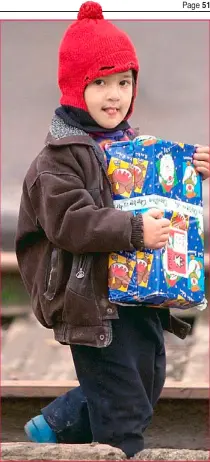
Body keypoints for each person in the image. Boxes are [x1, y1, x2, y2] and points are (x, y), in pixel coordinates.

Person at [15, 1, 210, 458]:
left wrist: (191, 172)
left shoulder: (129, 147)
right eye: (99, 83)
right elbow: (71, 223)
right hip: (90, 300)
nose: (114, 95)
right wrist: (136, 229)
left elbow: (159, 197)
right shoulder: (57, 161)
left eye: (123, 82)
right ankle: (111, 447)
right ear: (73, 88)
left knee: (145, 383)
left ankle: (59, 424)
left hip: (134, 292)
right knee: (124, 413)